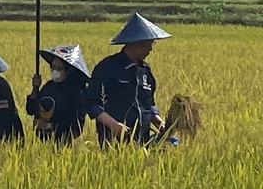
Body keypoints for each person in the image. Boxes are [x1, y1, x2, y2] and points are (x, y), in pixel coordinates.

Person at [84, 13, 171, 145]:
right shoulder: (108, 67)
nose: (151, 49)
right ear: (135, 43)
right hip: (113, 140)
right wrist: (114, 126)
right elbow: (91, 104)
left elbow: (149, 104)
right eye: (148, 43)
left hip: (142, 141)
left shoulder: (145, 71)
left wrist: (159, 123)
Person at [26, 45, 90, 144]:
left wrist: (51, 127)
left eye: (59, 68)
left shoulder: (77, 92)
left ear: (69, 71)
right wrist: (35, 88)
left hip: (64, 144)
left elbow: (76, 125)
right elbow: (31, 109)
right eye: (53, 67)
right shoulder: (49, 86)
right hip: (41, 143)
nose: (55, 71)